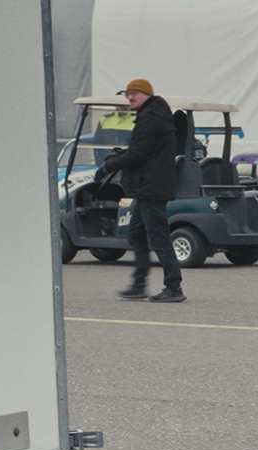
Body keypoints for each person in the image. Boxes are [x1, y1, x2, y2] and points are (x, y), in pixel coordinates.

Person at [93, 78, 183, 303]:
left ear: (146, 94)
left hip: (151, 187)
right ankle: (139, 284)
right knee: (136, 234)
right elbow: (141, 150)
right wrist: (120, 158)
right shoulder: (152, 115)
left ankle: (173, 287)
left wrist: (109, 166)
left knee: (158, 237)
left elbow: (138, 153)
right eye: (128, 94)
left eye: (135, 93)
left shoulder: (151, 118)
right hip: (149, 186)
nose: (130, 97)